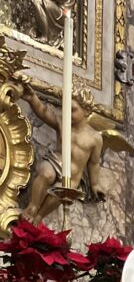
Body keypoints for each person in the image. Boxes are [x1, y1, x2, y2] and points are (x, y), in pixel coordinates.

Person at [21, 85, 106, 223]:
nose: (68, 114)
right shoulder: (63, 122)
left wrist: (95, 183)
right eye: (66, 109)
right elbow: (43, 112)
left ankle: (39, 216)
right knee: (46, 174)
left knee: (62, 191)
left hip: (73, 176)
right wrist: (32, 99)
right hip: (56, 161)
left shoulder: (95, 137)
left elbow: (94, 163)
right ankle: (33, 207)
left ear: (86, 110)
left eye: (72, 110)